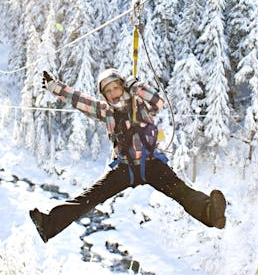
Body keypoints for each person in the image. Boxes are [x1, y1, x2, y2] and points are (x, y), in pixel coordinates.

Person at [29, 68, 227, 242]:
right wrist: (55, 87)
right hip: (125, 168)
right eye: (108, 91)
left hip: (152, 165)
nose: (113, 94)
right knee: (91, 197)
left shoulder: (140, 104)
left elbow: (158, 101)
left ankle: (209, 213)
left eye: (116, 88)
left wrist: (137, 87)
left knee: (180, 191)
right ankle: (50, 225)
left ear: (123, 87)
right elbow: (80, 101)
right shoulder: (105, 111)